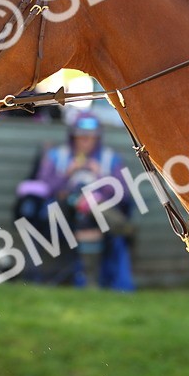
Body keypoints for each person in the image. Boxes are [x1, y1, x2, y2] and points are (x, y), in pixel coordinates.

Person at [34, 110, 134, 289]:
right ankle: (120, 226)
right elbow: (43, 187)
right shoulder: (57, 156)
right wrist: (67, 174)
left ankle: (88, 284)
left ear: (98, 138)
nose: (85, 141)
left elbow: (124, 193)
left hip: (94, 218)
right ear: (73, 137)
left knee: (89, 214)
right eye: (81, 137)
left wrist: (100, 177)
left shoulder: (110, 158)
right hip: (63, 213)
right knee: (86, 202)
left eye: (90, 137)